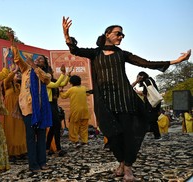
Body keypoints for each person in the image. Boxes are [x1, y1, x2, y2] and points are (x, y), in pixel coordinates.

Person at [62, 16, 191, 181]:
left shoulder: (123, 54)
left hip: (125, 99)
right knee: (112, 135)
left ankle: (128, 167)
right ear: (108, 34)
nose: (121, 36)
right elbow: (75, 50)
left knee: (129, 134)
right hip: (106, 102)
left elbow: (146, 63)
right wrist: (66, 34)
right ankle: (121, 161)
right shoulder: (95, 53)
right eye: (118, 33)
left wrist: (177, 61)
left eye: (122, 35)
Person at [10, 32, 52, 172]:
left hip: (41, 109)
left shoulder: (46, 73)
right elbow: (17, 59)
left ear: (44, 64)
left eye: (41, 59)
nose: (38, 60)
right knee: (30, 137)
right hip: (27, 107)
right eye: (37, 58)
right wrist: (12, 42)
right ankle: (33, 165)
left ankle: (43, 162)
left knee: (41, 136)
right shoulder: (26, 69)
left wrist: (34, 66)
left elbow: (45, 79)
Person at [2, 63, 27, 159]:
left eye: (19, 73)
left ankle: (21, 151)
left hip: (19, 112)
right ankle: (12, 152)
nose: (18, 75)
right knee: (11, 131)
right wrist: (15, 71)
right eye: (17, 74)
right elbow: (7, 79)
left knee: (20, 130)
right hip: (10, 112)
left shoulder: (18, 86)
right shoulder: (7, 84)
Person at [46, 65, 70, 156]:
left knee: (53, 128)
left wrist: (68, 75)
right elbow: (56, 85)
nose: (49, 74)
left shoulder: (54, 81)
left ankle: (48, 148)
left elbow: (62, 84)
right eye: (48, 72)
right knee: (56, 126)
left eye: (50, 72)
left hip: (54, 105)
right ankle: (57, 149)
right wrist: (63, 74)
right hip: (49, 105)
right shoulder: (46, 82)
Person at [60, 75, 90, 147]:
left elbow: (63, 96)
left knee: (74, 126)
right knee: (84, 127)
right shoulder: (84, 88)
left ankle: (76, 141)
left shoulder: (72, 89)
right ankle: (84, 141)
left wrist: (60, 91)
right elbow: (88, 93)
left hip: (76, 111)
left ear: (71, 83)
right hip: (85, 111)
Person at [132, 71, 161, 140]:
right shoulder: (150, 80)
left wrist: (137, 92)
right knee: (151, 119)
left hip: (151, 103)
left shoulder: (146, 81)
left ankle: (157, 135)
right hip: (155, 102)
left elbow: (145, 93)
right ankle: (155, 134)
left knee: (151, 119)